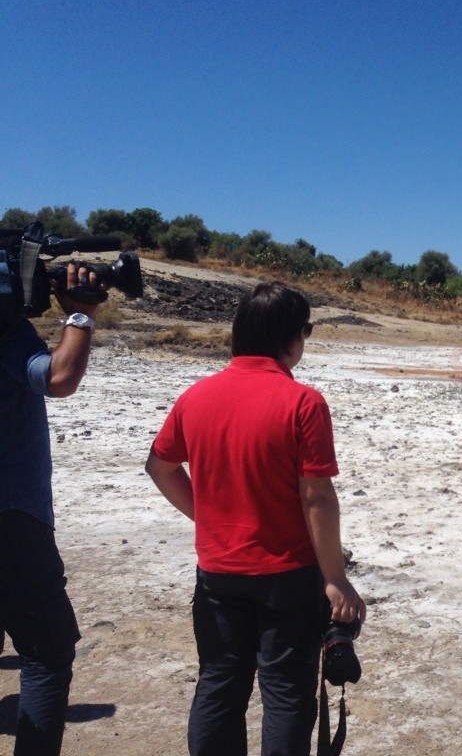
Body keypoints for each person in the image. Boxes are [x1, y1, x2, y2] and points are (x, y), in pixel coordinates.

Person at [145, 282, 365, 756]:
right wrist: (335, 579)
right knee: (285, 693)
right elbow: (317, 498)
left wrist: (207, 518)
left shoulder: (196, 396)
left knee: (219, 683)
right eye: (305, 331)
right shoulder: (303, 402)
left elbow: (160, 468)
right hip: (287, 573)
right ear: (290, 336)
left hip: (218, 572)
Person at [0, 263, 105, 755]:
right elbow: (58, 377)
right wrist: (80, 315)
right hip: (12, 518)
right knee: (46, 654)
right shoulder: (7, 332)